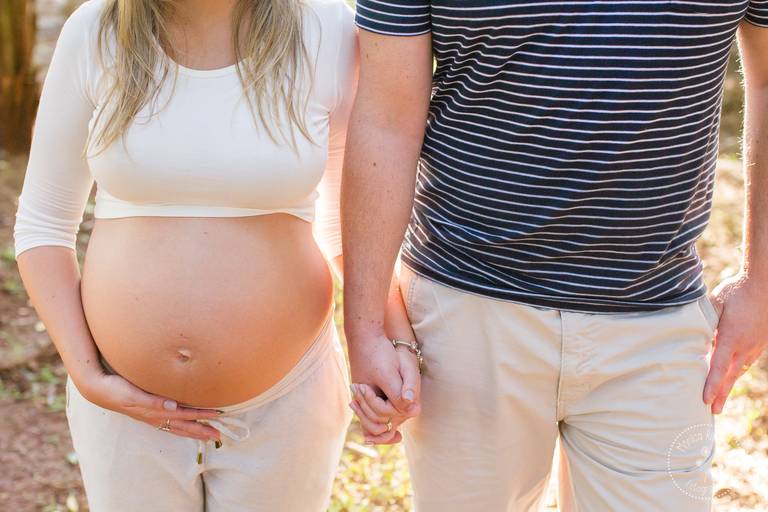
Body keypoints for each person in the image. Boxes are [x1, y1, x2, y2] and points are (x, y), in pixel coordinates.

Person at [343, 0, 768, 510]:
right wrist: (365, 326)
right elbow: (387, 118)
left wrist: (762, 281)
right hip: (465, 310)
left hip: (656, 318)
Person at [14, 0, 357, 510]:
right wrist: (88, 376)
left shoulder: (327, 27)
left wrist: (377, 333)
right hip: (121, 406)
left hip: (285, 403)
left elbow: (344, 221)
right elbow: (43, 223)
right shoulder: (95, 30)